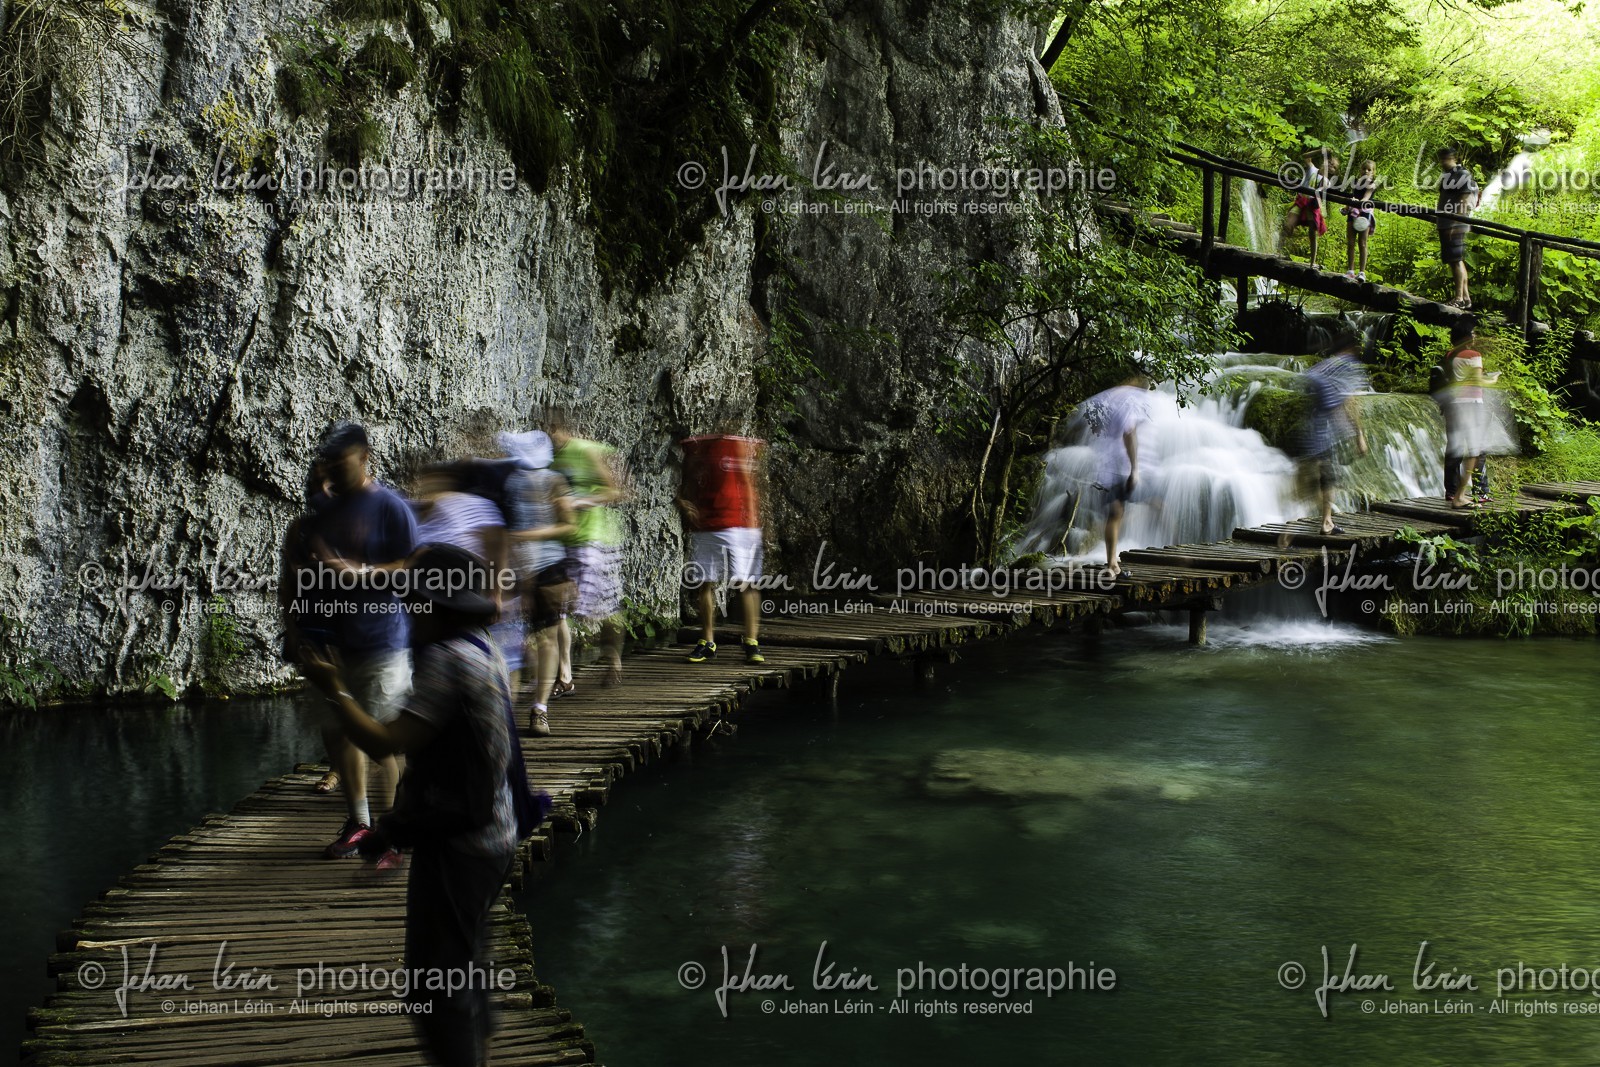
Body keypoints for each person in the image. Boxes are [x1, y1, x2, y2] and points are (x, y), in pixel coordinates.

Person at [297, 544, 517, 1067]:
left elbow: (384, 742)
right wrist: (392, 830)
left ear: (436, 606)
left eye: (415, 602)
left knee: (434, 986)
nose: (408, 611)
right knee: (464, 965)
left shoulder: (445, 659)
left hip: (461, 845)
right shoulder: (481, 646)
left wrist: (335, 690)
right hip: (492, 832)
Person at [298, 421, 417, 863]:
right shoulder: (327, 508)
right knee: (338, 732)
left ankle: (392, 832)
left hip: (383, 640)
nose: (332, 466)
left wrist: (361, 573)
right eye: (327, 460)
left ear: (365, 457)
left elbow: (414, 564)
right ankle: (360, 823)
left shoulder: (389, 506)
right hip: (334, 642)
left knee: (382, 741)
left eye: (340, 459)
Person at [501, 430, 577, 737]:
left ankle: (539, 709)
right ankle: (508, 710)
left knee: (545, 639)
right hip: (516, 568)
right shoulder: (511, 481)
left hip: (548, 567)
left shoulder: (555, 481)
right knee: (515, 640)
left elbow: (569, 526)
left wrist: (528, 535)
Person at [549, 411, 626, 686]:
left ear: (559, 427)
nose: (547, 437)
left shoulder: (584, 451)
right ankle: (565, 675)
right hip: (561, 539)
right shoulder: (548, 458)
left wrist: (580, 502)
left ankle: (613, 659)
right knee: (558, 606)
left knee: (603, 609)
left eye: (550, 430)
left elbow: (615, 491)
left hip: (595, 539)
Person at [679, 430, 766, 662]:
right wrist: (683, 503)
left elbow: (748, 483)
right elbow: (684, 482)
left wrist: (752, 523)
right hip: (705, 524)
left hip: (739, 526)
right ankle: (707, 642)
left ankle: (751, 642)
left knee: (745, 584)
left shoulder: (737, 445)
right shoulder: (696, 448)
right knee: (704, 583)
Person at [1289, 346, 1369, 538]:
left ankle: (1321, 520)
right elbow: (1350, 403)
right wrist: (1359, 435)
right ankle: (1320, 523)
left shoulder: (1326, 366)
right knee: (1328, 481)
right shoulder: (1349, 368)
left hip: (1308, 432)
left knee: (1315, 482)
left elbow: (1307, 382)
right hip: (1323, 437)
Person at [1077, 377, 1150, 578]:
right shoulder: (1130, 401)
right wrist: (1135, 469)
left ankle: (1111, 562)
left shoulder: (1106, 398)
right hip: (1116, 465)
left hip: (1100, 462)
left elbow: (1092, 428)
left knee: (1115, 512)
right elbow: (1129, 433)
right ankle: (1111, 564)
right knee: (1116, 513)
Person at [1437, 321, 1514, 509]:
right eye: (1472, 333)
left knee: (1454, 449)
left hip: (1453, 406)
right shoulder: (1473, 355)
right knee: (1477, 449)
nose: (1475, 336)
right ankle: (1480, 491)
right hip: (1471, 405)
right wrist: (1493, 379)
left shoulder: (1449, 355)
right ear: (1466, 336)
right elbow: (1479, 382)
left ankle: (1451, 491)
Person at [1436, 147, 1480, 308]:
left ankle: (1459, 298)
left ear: (1453, 158)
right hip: (1446, 223)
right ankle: (1466, 299)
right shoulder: (1448, 175)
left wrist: (1455, 223)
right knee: (1455, 260)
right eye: (1441, 159)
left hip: (1454, 224)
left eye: (1445, 158)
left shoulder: (1462, 174)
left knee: (1456, 260)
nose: (1442, 162)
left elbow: (1464, 199)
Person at [1279, 147, 1333, 267]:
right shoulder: (1312, 169)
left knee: (1312, 234)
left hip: (1312, 206)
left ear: (1333, 171)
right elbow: (1305, 156)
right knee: (1288, 225)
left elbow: (1322, 188)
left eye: (1332, 166)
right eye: (1328, 163)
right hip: (1301, 201)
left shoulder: (1326, 181)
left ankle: (1312, 263)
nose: (1329, 166)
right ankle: (1278, 253)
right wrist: (1319, 151)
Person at [1342, 159, 1379, 281]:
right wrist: (1348, 205)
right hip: (1353, 212)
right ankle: (1350, 271)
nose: (1366, 171)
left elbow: (1366, 198)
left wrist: (1358, 201)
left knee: (1362, 243)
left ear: (1373, 172)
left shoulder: (1371, 185)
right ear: (1360, 170)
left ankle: (1362, 272)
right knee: (1350, 242)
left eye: (1369, 170)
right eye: (1364, 169)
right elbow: (1353, 196)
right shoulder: (1355, 182)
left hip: (1365, 213)